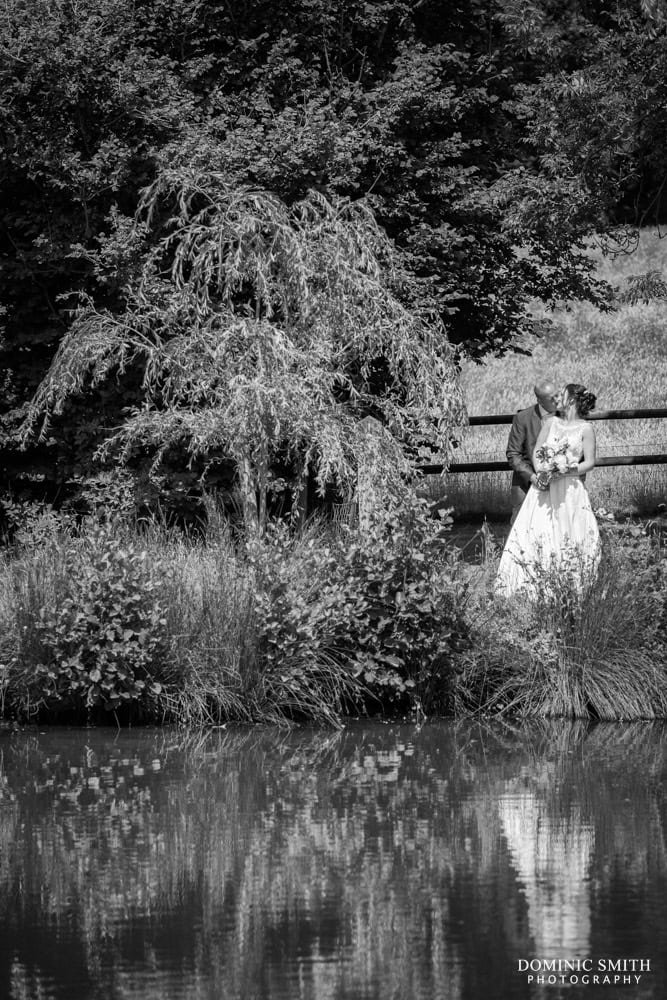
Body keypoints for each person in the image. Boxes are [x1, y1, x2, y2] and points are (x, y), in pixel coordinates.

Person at [495, 383, 601, 598]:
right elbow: (536, 451)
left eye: (561, 395)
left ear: (571, 400)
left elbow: (589, 462)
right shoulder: (551, 422)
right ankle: (532, 582)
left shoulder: (586, 429)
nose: (557, 399)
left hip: (569, 487)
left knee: (569, 529)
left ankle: (573, 582)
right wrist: (543, 472)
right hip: (543, 486)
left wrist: (566, 469)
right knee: (539, 528)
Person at [506, 380, 560, 525]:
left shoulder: (567, 416)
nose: (558, 400)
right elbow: (513, 454)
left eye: (558, 395)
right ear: (540, 401)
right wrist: (534, 478)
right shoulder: (523, 418)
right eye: (552, 398)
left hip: (561, 483)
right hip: (527, 483)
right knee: (522, 529)